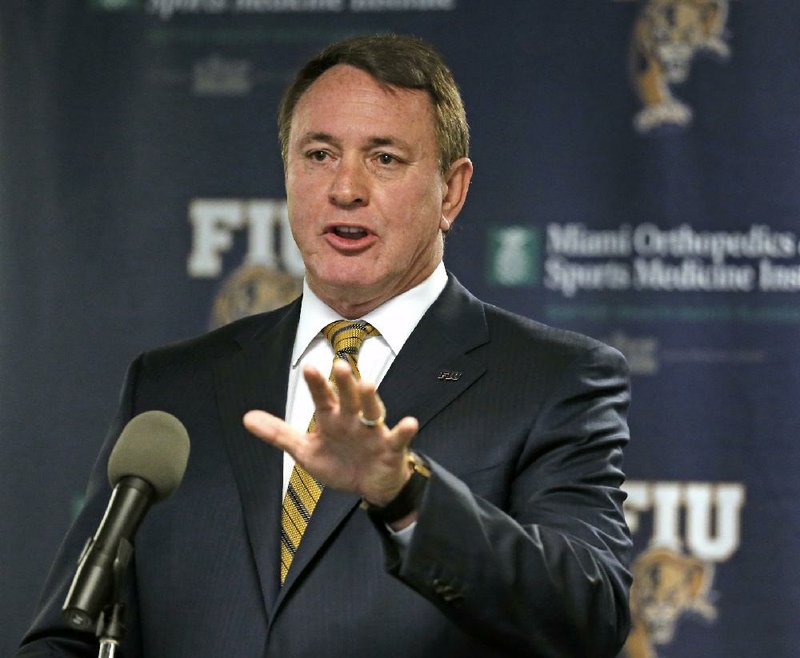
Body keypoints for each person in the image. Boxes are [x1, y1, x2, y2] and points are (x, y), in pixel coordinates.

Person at [17, 34, 632, 657]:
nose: (345, 189)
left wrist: (406, 495)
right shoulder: (171, 387)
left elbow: (589, 617)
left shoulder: (551, 379)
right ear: (287, 172)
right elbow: (71, 632)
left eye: (385, 158)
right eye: (319, 154)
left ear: (451, 191)